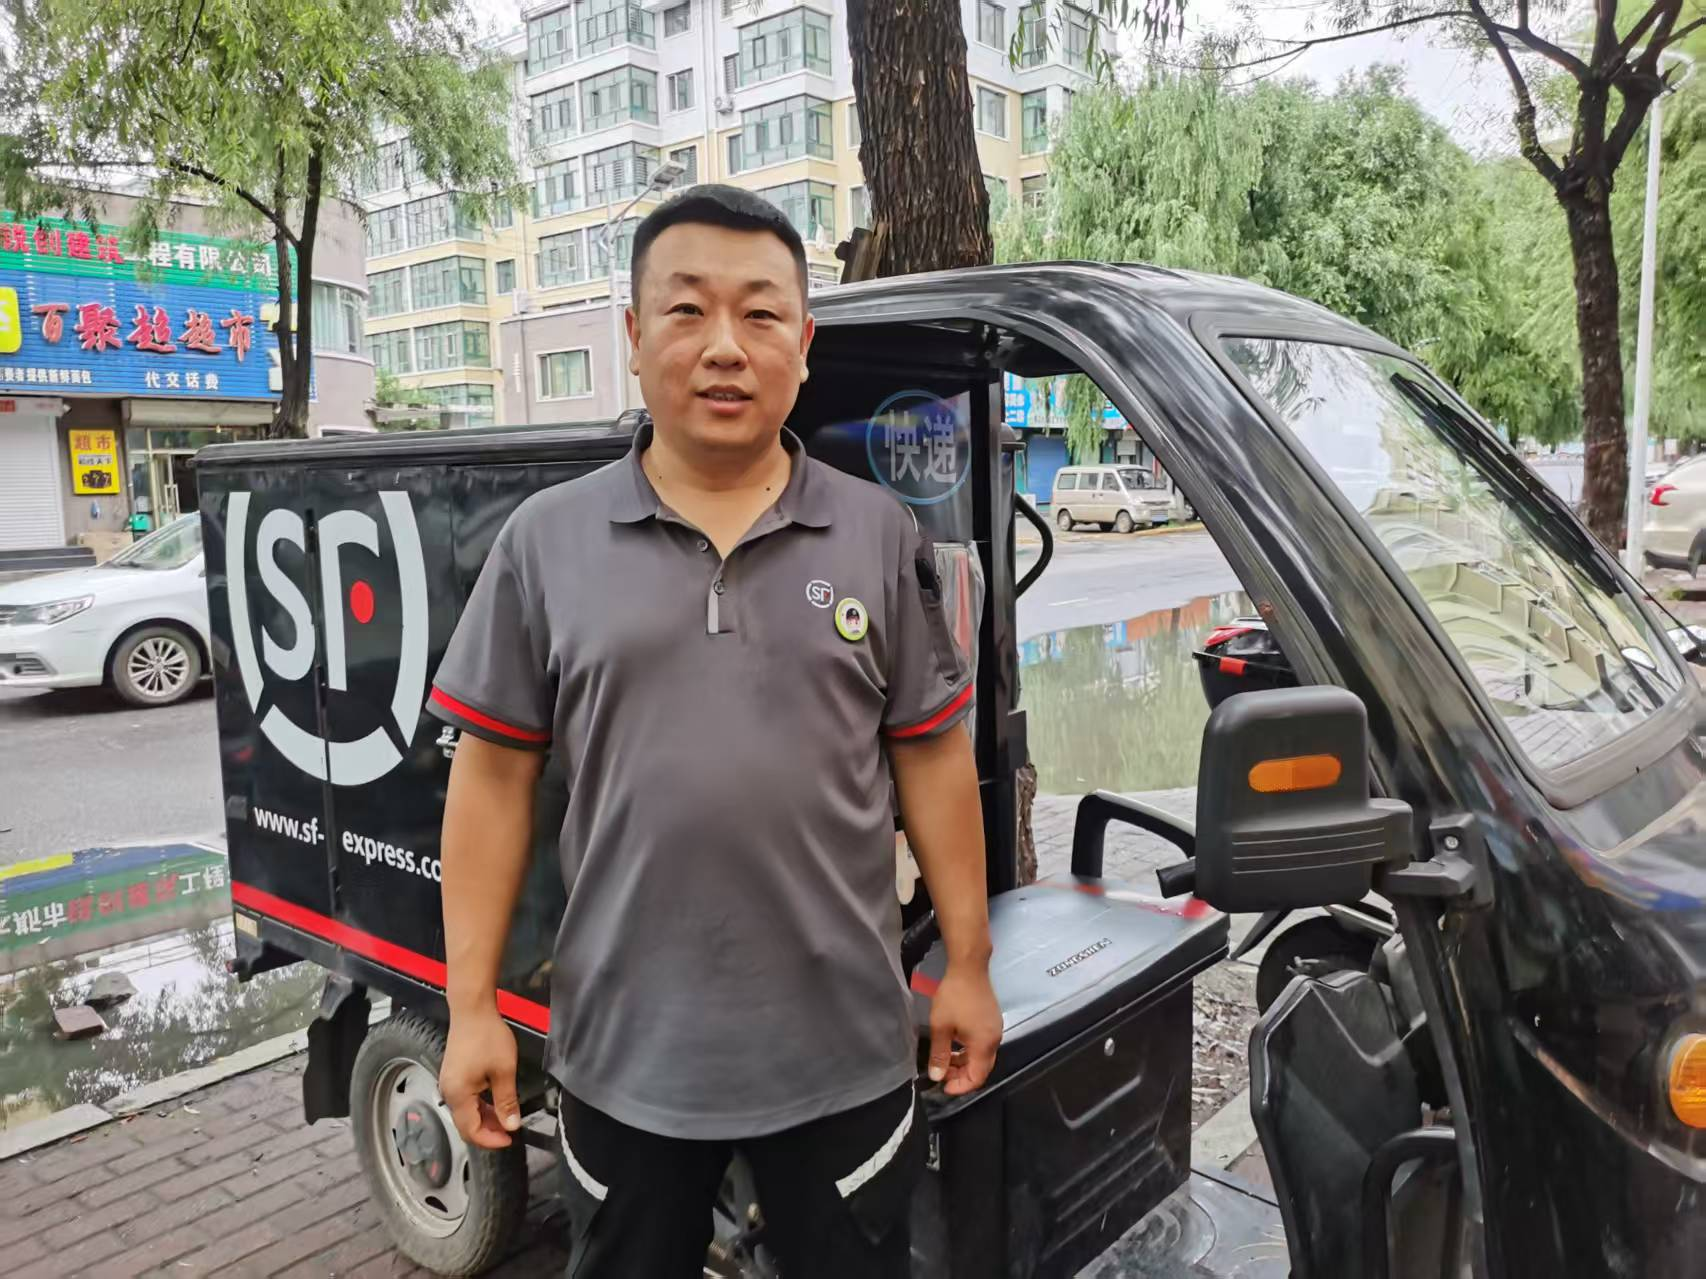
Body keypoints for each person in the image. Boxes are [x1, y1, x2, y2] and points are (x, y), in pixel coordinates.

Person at [427, 184, 1001, 1278]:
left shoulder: (878, 534)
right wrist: (470, 1008)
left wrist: (966, 963)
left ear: (804, 343)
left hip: (843, 1052)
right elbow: (492, 780)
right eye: (688, 310)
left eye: (761, 313)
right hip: (625, 1057)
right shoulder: (545, 544)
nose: (726, 347)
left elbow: (930, 755)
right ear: (634, 335)